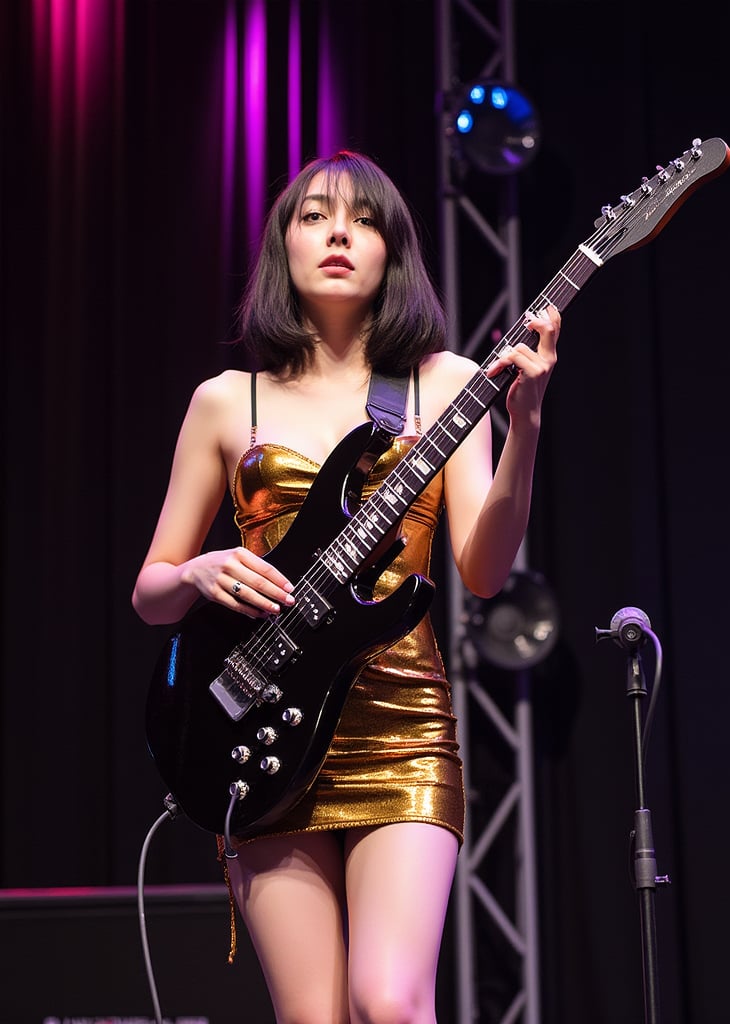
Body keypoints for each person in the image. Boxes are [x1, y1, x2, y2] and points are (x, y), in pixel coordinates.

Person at [132, 149, 560, 1024]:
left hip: (400, 728)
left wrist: (525, 423)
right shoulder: (227, 400)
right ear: (281, 245)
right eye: (315, 215)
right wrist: (198, 569)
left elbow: (484, 572)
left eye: (364, 221)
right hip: (260, 730)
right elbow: (152, 591)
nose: (338, 233)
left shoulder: (443, 383)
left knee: (390, 1003)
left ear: (393, 253)